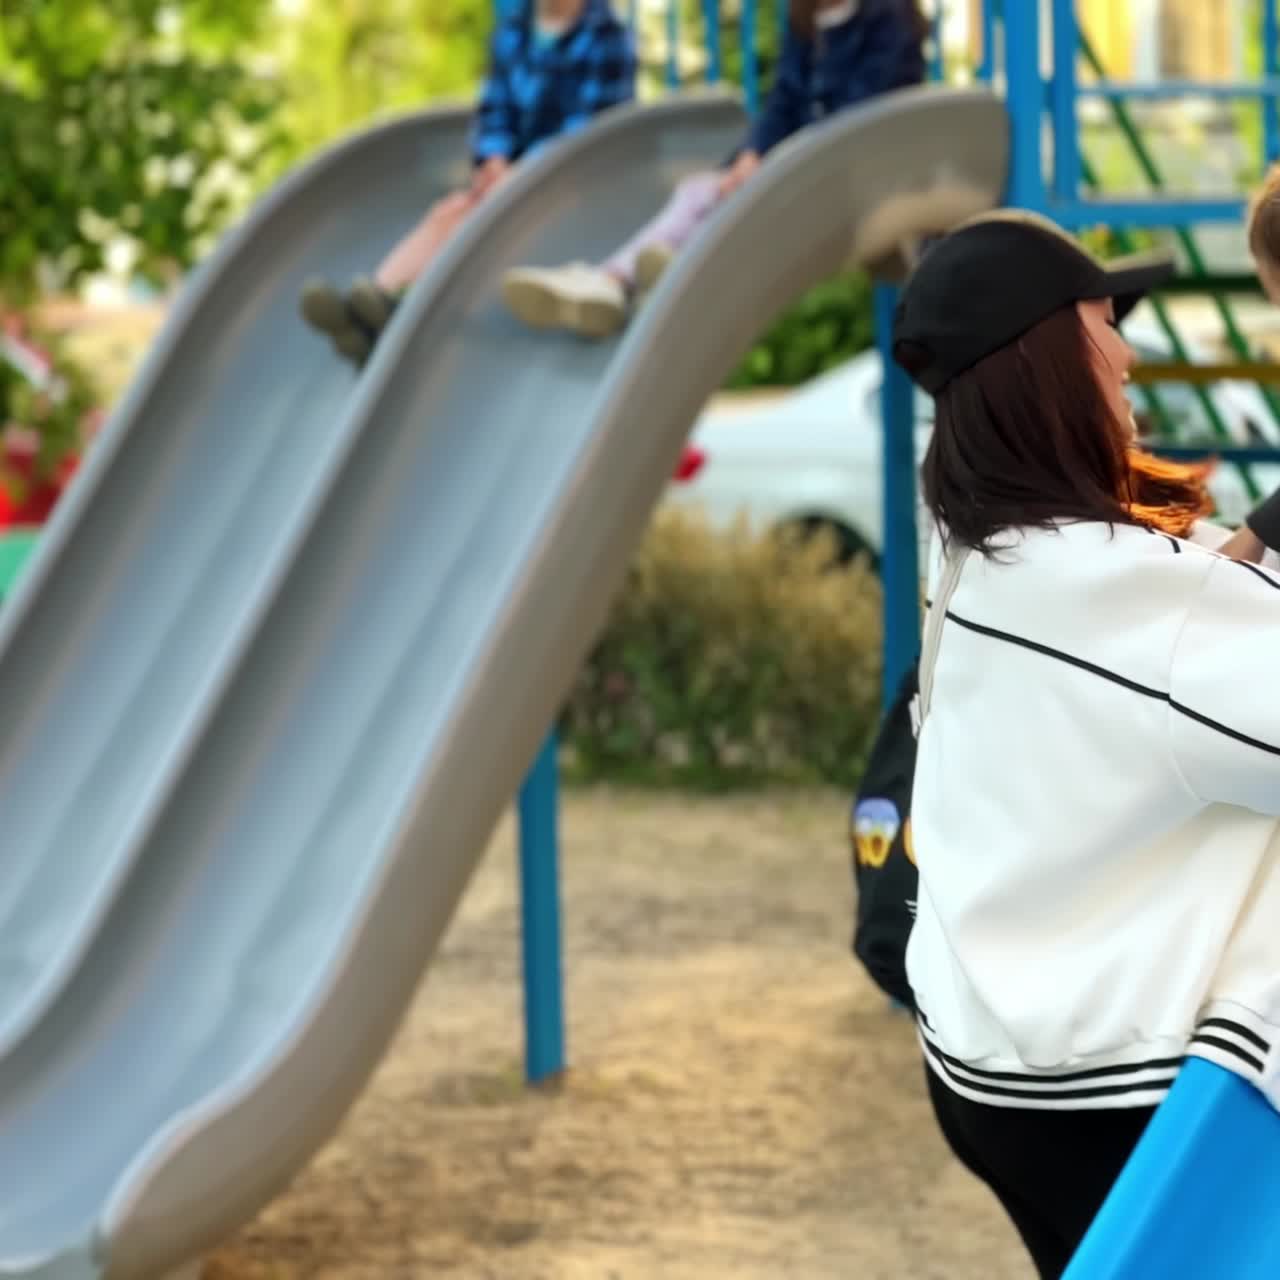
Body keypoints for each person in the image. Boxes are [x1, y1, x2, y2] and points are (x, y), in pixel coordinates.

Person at [889, 209, 1280, 1280]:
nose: (1126, 353)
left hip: (990, 1045)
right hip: (1108, 1087)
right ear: (1048, 361)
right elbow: (1192, 632)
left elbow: (1203, 603)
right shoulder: (1111, 601)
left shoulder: (987, 546)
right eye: (1104, 323)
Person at [500, 0, 929, 339]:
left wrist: (774, 161)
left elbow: (862, 113)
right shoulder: (806, 20)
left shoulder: (886, 20)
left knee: (731, 201)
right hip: (807, 164)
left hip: (858, 171)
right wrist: (750, 155)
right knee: (702, 189)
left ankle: (660, 271)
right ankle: (618, 279)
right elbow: (783, 103)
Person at [301, 0, 635, 366]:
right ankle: (371, 304)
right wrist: (494, 158)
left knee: (471, 221)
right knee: (449, 211)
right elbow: (495, 108)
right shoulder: (515, 30)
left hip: (571, 179)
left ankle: (394, 313)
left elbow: (590, 129)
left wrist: (526, 171)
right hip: (514, 173)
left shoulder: (606, 37)